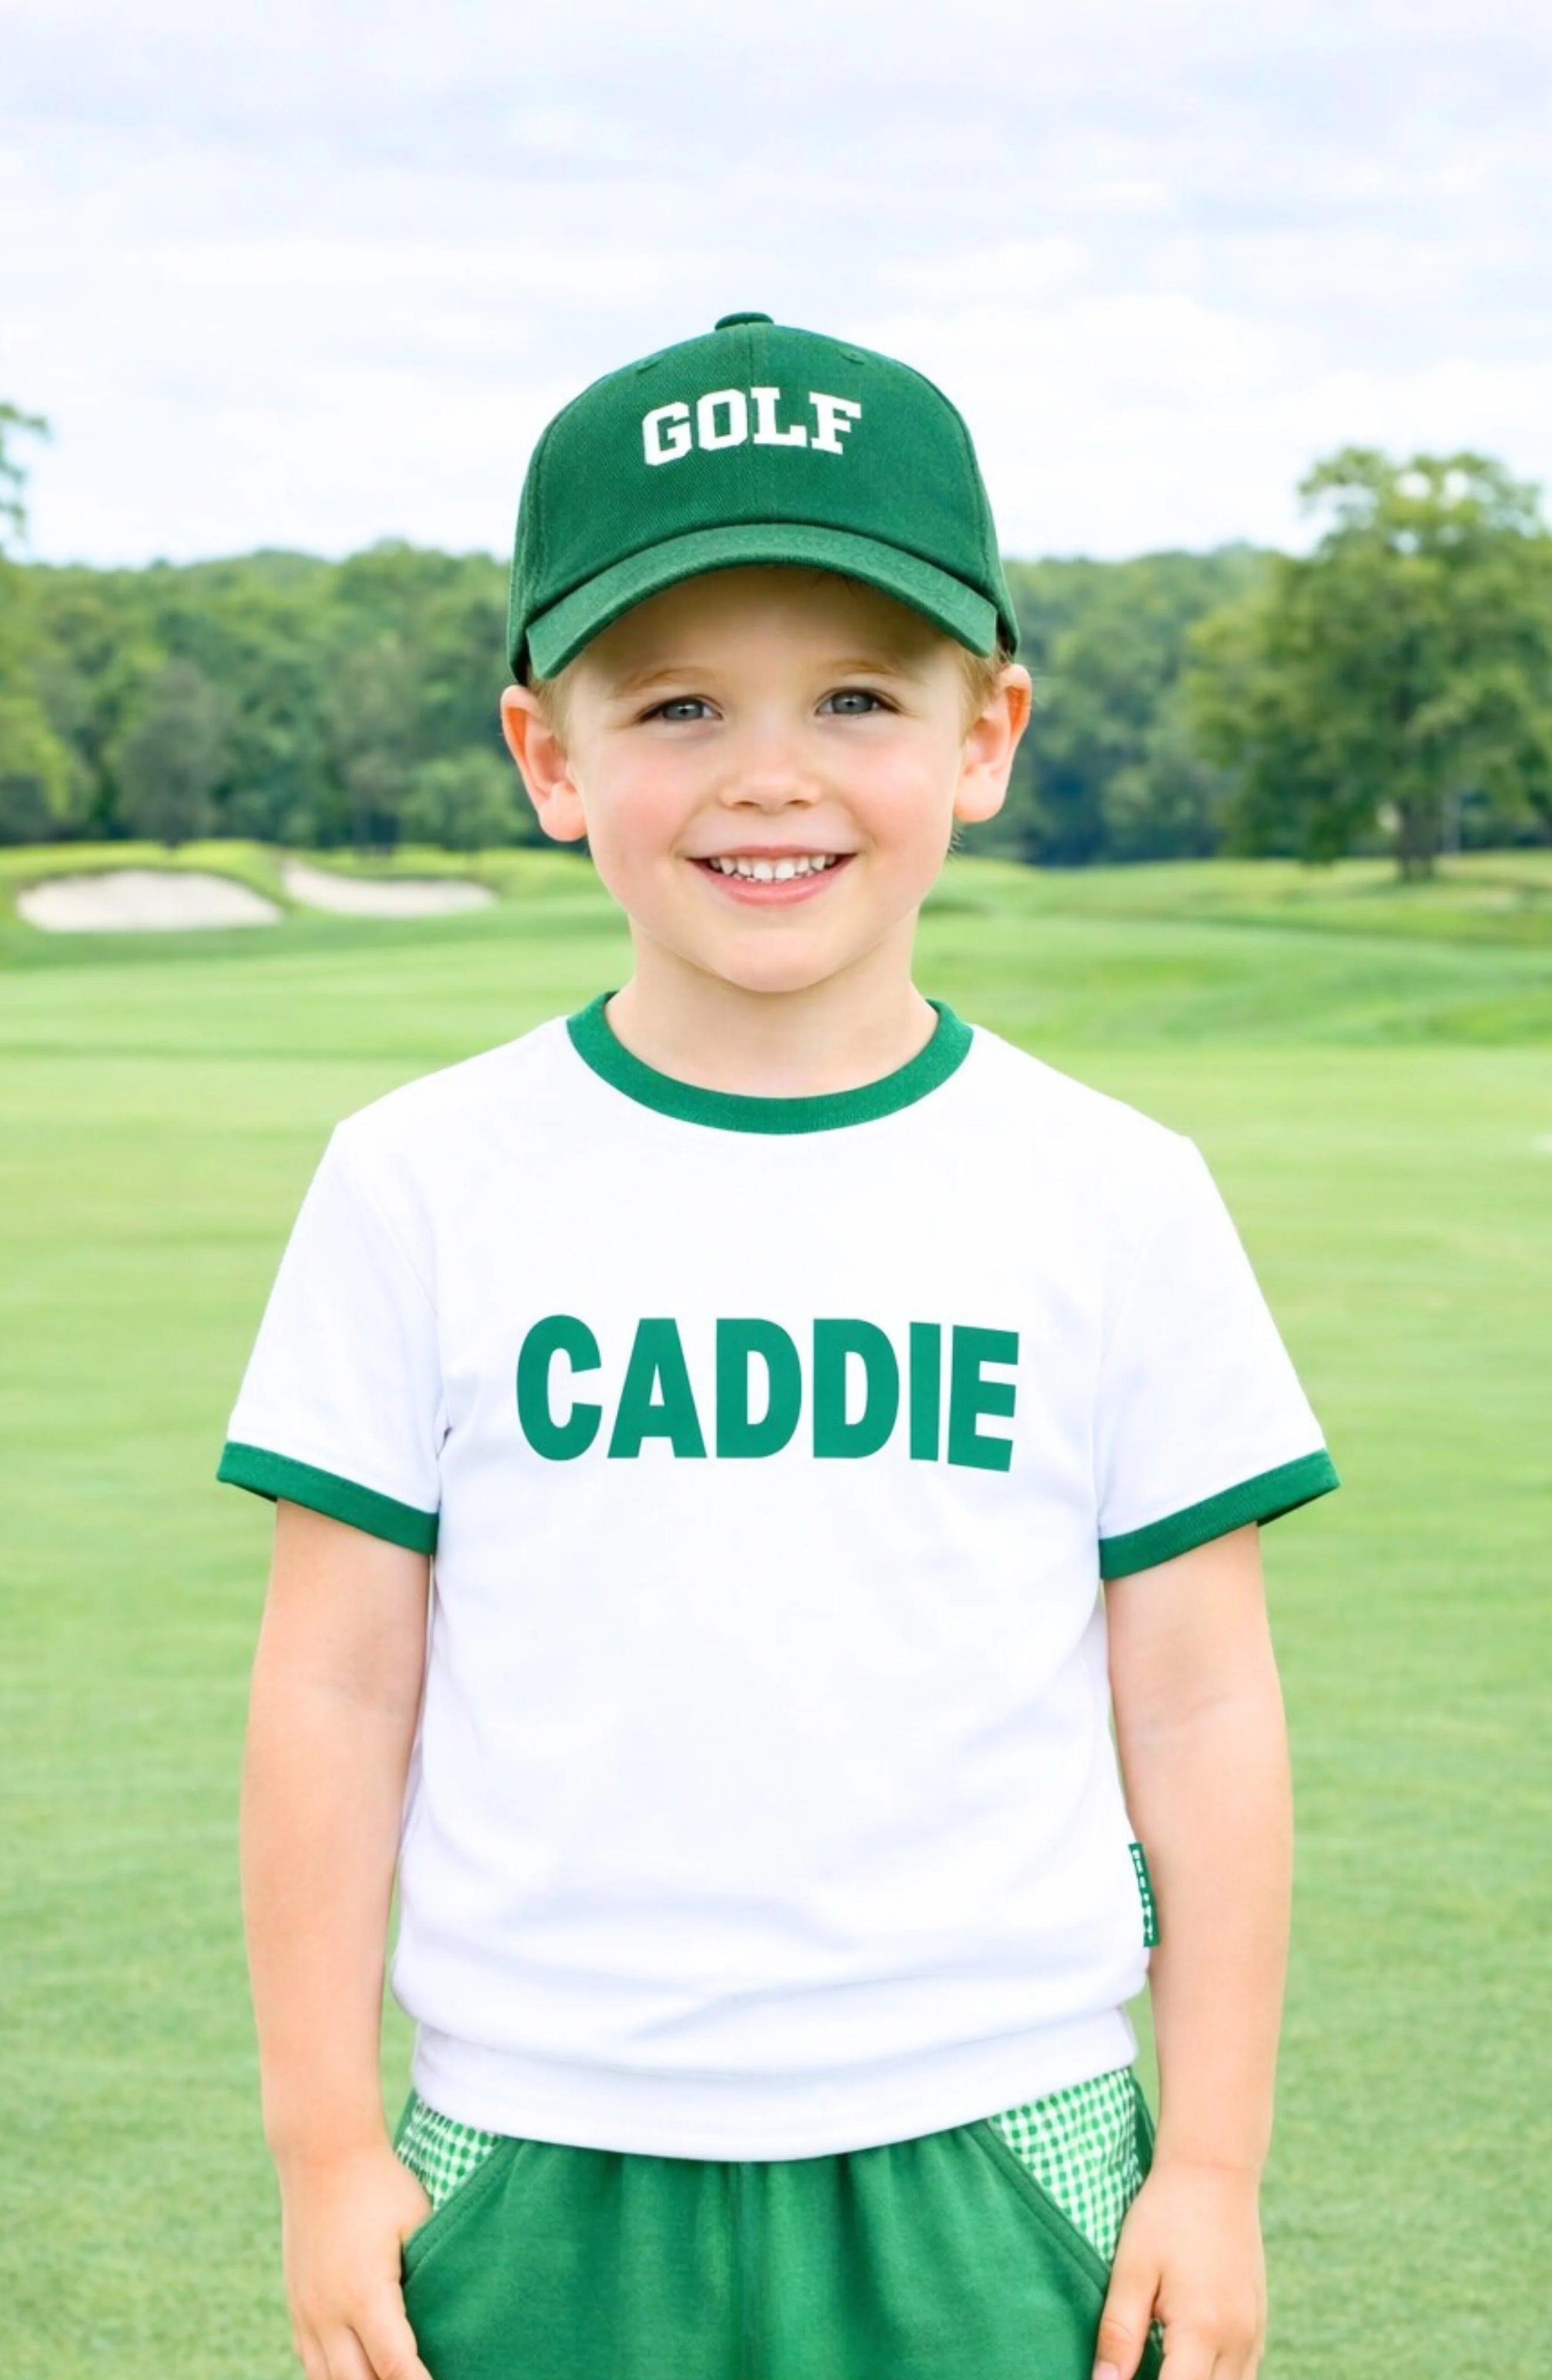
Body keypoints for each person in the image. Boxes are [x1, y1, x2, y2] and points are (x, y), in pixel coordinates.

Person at [222, 310, 1339, 2380]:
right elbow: (330, 1683)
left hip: (1000, 2148)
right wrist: (319, 2143)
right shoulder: (417, 1180)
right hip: (536, 2149)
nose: (768, 774)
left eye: (854, 694)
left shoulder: (1114, 1192)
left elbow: (1199, 1707)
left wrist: (1214, 2169)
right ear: (549, 757)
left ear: (987, 732)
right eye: (672, 704)